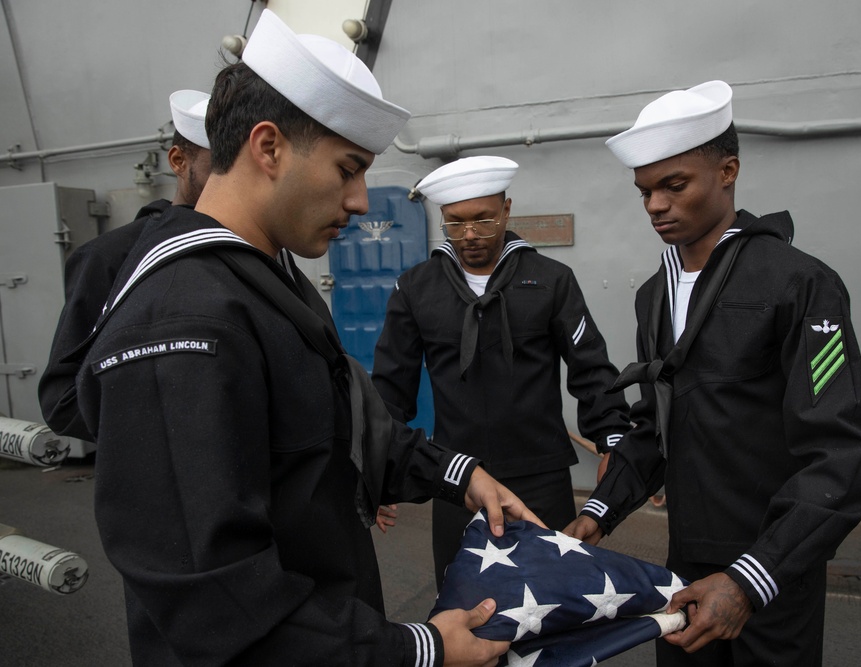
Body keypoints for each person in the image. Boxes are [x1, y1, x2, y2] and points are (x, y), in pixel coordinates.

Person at [72, 10, 539, 666]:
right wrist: (418, 646)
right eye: (347, 169)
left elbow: (340, 429)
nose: (357, 201)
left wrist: (462, 476)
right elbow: (215, 601)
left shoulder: (263, 285)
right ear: (268, 147)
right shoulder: (186, 323)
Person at [564, 80, 861, 666]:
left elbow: (843, 454)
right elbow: (656, 423)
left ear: (728, 170)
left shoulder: (798, 284)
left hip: (771, 570)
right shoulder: (654, 296)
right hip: (684, 566)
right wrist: (598, 512)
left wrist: (750, 581)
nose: (655, 204)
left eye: (674, 185)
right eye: (645, 191)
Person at [371, 155, 632, 588]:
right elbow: (391, 387)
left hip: (541, 474)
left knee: (554, 601)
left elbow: (591, 368)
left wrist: (613, 442)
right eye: (455, 224)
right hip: (456, 478)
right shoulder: (416, 288)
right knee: (462, 605)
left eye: (484, 220)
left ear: (507, 210)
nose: (470, 235)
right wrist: (380, 466)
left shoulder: (551, 280)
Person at [38, 89, 213, 441]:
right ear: (178, 161)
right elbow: (63, 402)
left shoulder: (264, 252)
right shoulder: (110, 258)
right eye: (219, 166)